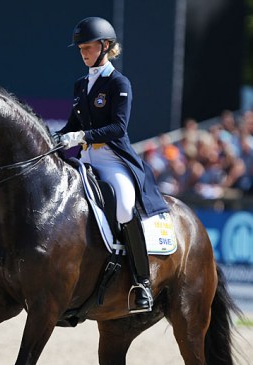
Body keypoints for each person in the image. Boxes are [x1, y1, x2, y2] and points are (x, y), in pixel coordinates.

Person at [54, 16, 168, 312]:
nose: (83, 53)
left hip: (112, 159)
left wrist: (82, 135)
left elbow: (118, 127)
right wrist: (54, 137)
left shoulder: (119, 82)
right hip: (86, 159)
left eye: (88, 47)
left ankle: (142, 281)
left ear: (105, 46)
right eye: (80, 49)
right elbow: (72, 124)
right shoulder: (81, 84)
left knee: (123, 206)